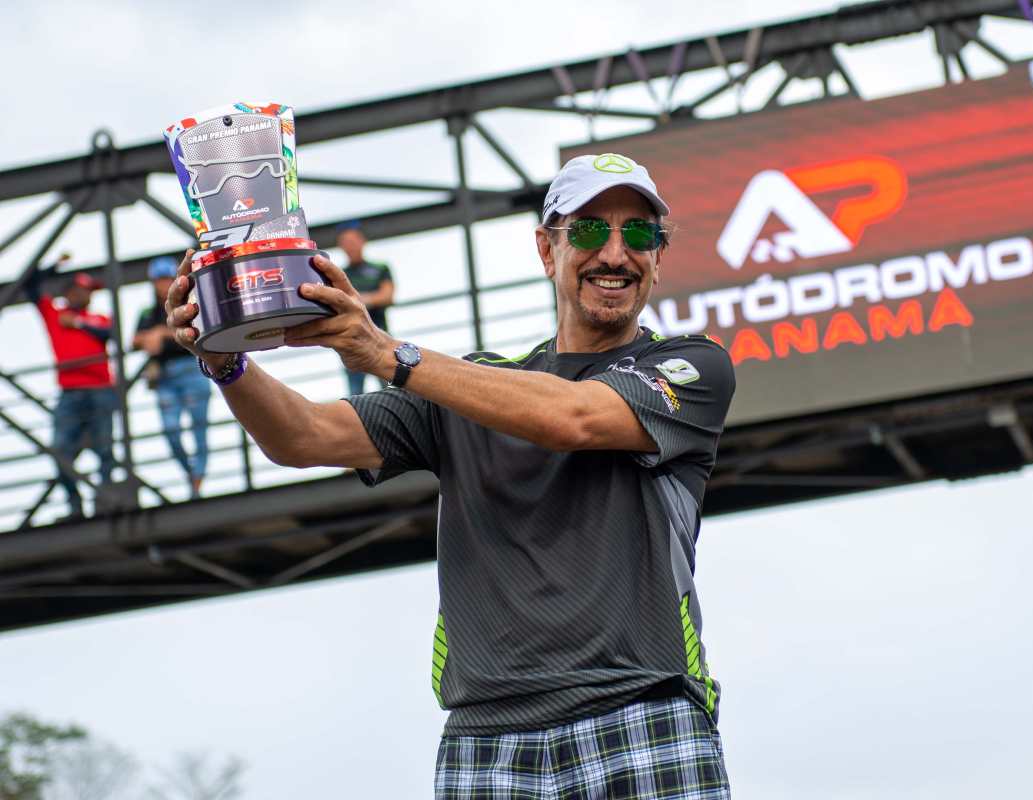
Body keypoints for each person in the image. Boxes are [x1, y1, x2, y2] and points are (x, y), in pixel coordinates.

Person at [166, 153, 735, 799]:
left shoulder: (693, 367)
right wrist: (225, 361)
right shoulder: (465, 389)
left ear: (658, 259)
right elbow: (303, 437)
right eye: (586, 230)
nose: (614, 253)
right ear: (547, 250)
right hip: (485, 738)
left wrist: (385, 351)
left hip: (644, 711)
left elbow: (573, 417)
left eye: (638, 233)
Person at [24, 257, 115, 519]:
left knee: (105, 450)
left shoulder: (97, 318)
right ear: (68, 293)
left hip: (100, 390)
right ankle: (75, 505)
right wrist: (55, 266)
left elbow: (110, 333)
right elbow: (29, 283)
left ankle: (105, 502)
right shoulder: (54, 314)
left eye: (89, 291)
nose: (86, 295)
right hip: (70, 393)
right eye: (81, 290)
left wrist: (77, 323)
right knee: (60, 451)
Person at [132, 256, 211, 498]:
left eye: (167, 279)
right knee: (171, 430)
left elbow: (199, 328)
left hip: (192, 369)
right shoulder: (148, 311)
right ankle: (191, 474)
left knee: (199, 428)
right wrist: (147, 338)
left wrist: (161, 333)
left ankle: (198, 478)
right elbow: (134, 340)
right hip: (165, 376)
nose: (163, 284)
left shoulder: (190, 303)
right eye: (159, 280)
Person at [336, 221, 394, 395]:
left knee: (391, 389)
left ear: (362, 241)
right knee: (356, 395)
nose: (350, 246)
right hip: (351, 341)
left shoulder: (380, 268)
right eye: (345, 242)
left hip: (380, 337)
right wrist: (369, 299)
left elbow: (387, 295)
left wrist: (357, 301)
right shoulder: (339, 274)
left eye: (353, 241)